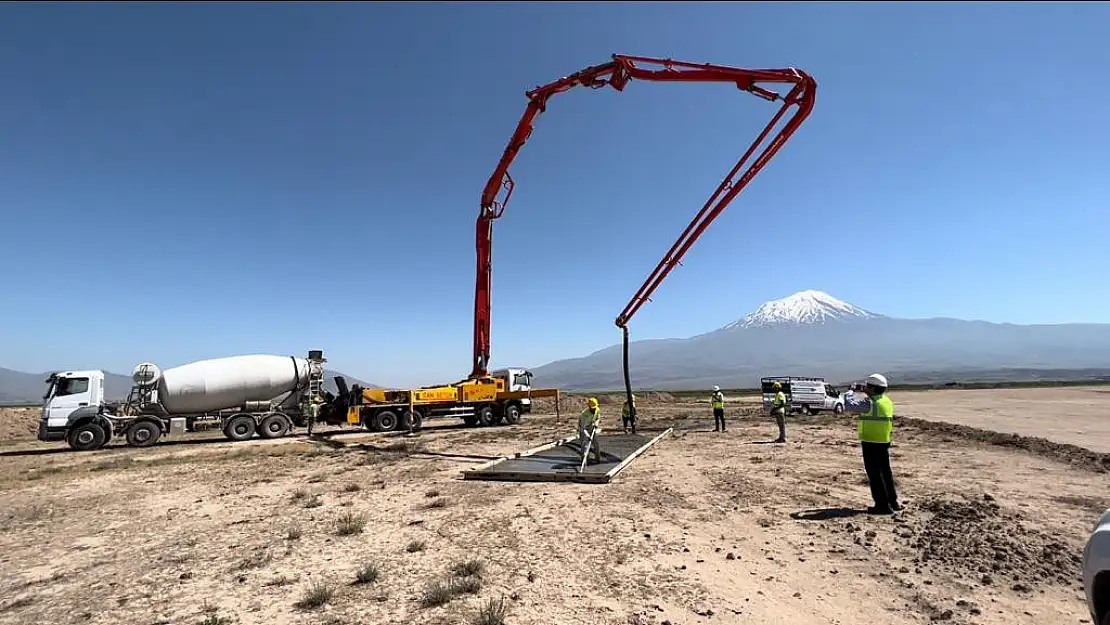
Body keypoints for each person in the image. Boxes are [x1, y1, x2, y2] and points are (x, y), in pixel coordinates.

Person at [844, 373, 901, 515]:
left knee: (875, 475)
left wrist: (850, 390)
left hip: (871, 442)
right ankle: (893, 502)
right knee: (886, 473)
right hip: (883, 441)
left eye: (868, 386)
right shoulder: (886, 401)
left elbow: (848, 405)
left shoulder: (870, 403)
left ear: (874, 388)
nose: (865, 388)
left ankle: (882, 505)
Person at [577, 397, 603, 465]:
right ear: (589, 406)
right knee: (585, 445)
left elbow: (598, 417)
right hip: (583, 429)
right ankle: (585, 461)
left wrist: (596, 423)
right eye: (592, 408)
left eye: (595, 407)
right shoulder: (584, 414)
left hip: (591, 427)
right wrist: (587, 435)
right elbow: (583, 428)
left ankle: (598, 459)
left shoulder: (597, 409)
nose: (594, 409)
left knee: (596, 444)